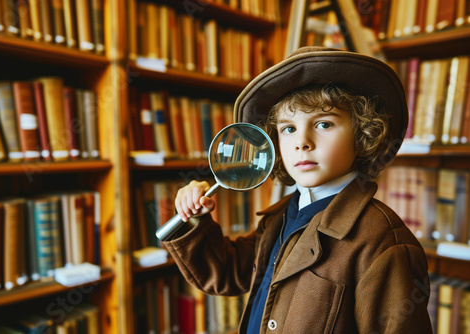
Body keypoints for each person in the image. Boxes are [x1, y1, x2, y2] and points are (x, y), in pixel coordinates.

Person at [163, 46, 433, 333]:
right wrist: (194, 218)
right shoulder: (281, 217)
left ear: (362, 133)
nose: (301, 142)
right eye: (288, 129)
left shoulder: (383, 243)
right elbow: (230, 273)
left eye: (324, 123)